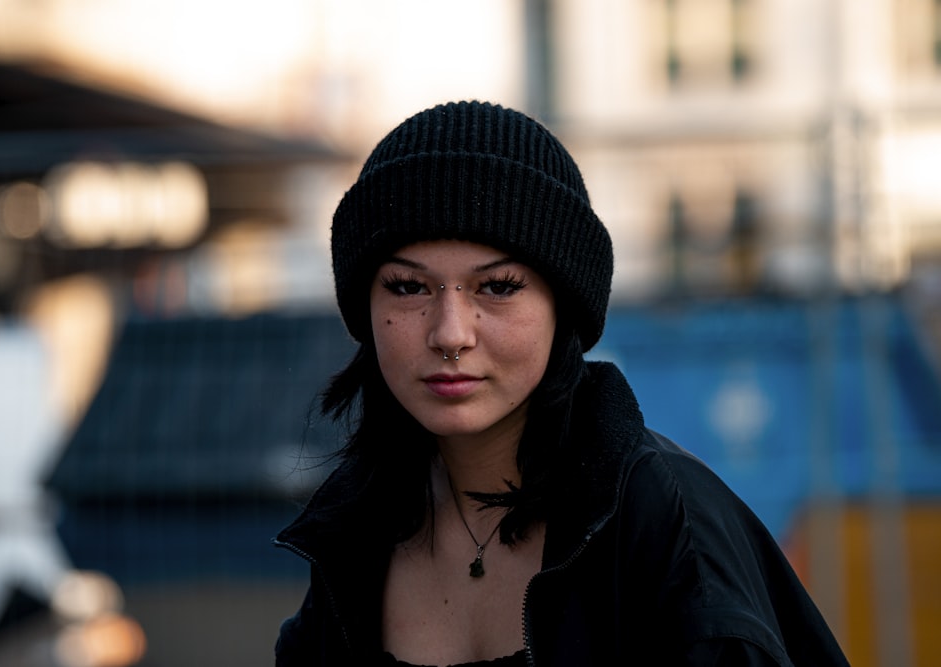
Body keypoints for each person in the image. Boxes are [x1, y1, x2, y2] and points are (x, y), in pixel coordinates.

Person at [274, 100, 849, 666]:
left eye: (497, 287)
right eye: (407, 287)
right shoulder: (352, 535)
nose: (450, 334)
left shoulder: (665, 524)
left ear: (563, 304)